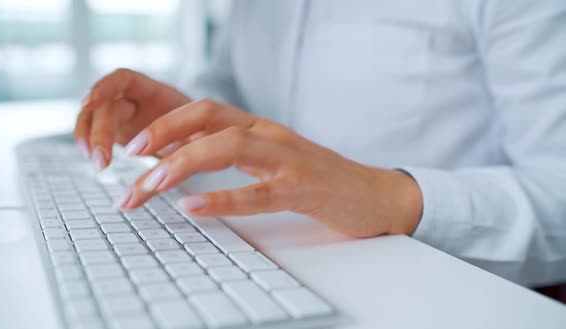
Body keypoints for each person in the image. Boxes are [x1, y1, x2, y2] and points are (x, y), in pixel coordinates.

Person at [74, 0, 566, 287]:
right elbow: (233, 88)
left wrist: (391, 198)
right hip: (255, 270)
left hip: (441, 294)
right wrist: (183, 120)